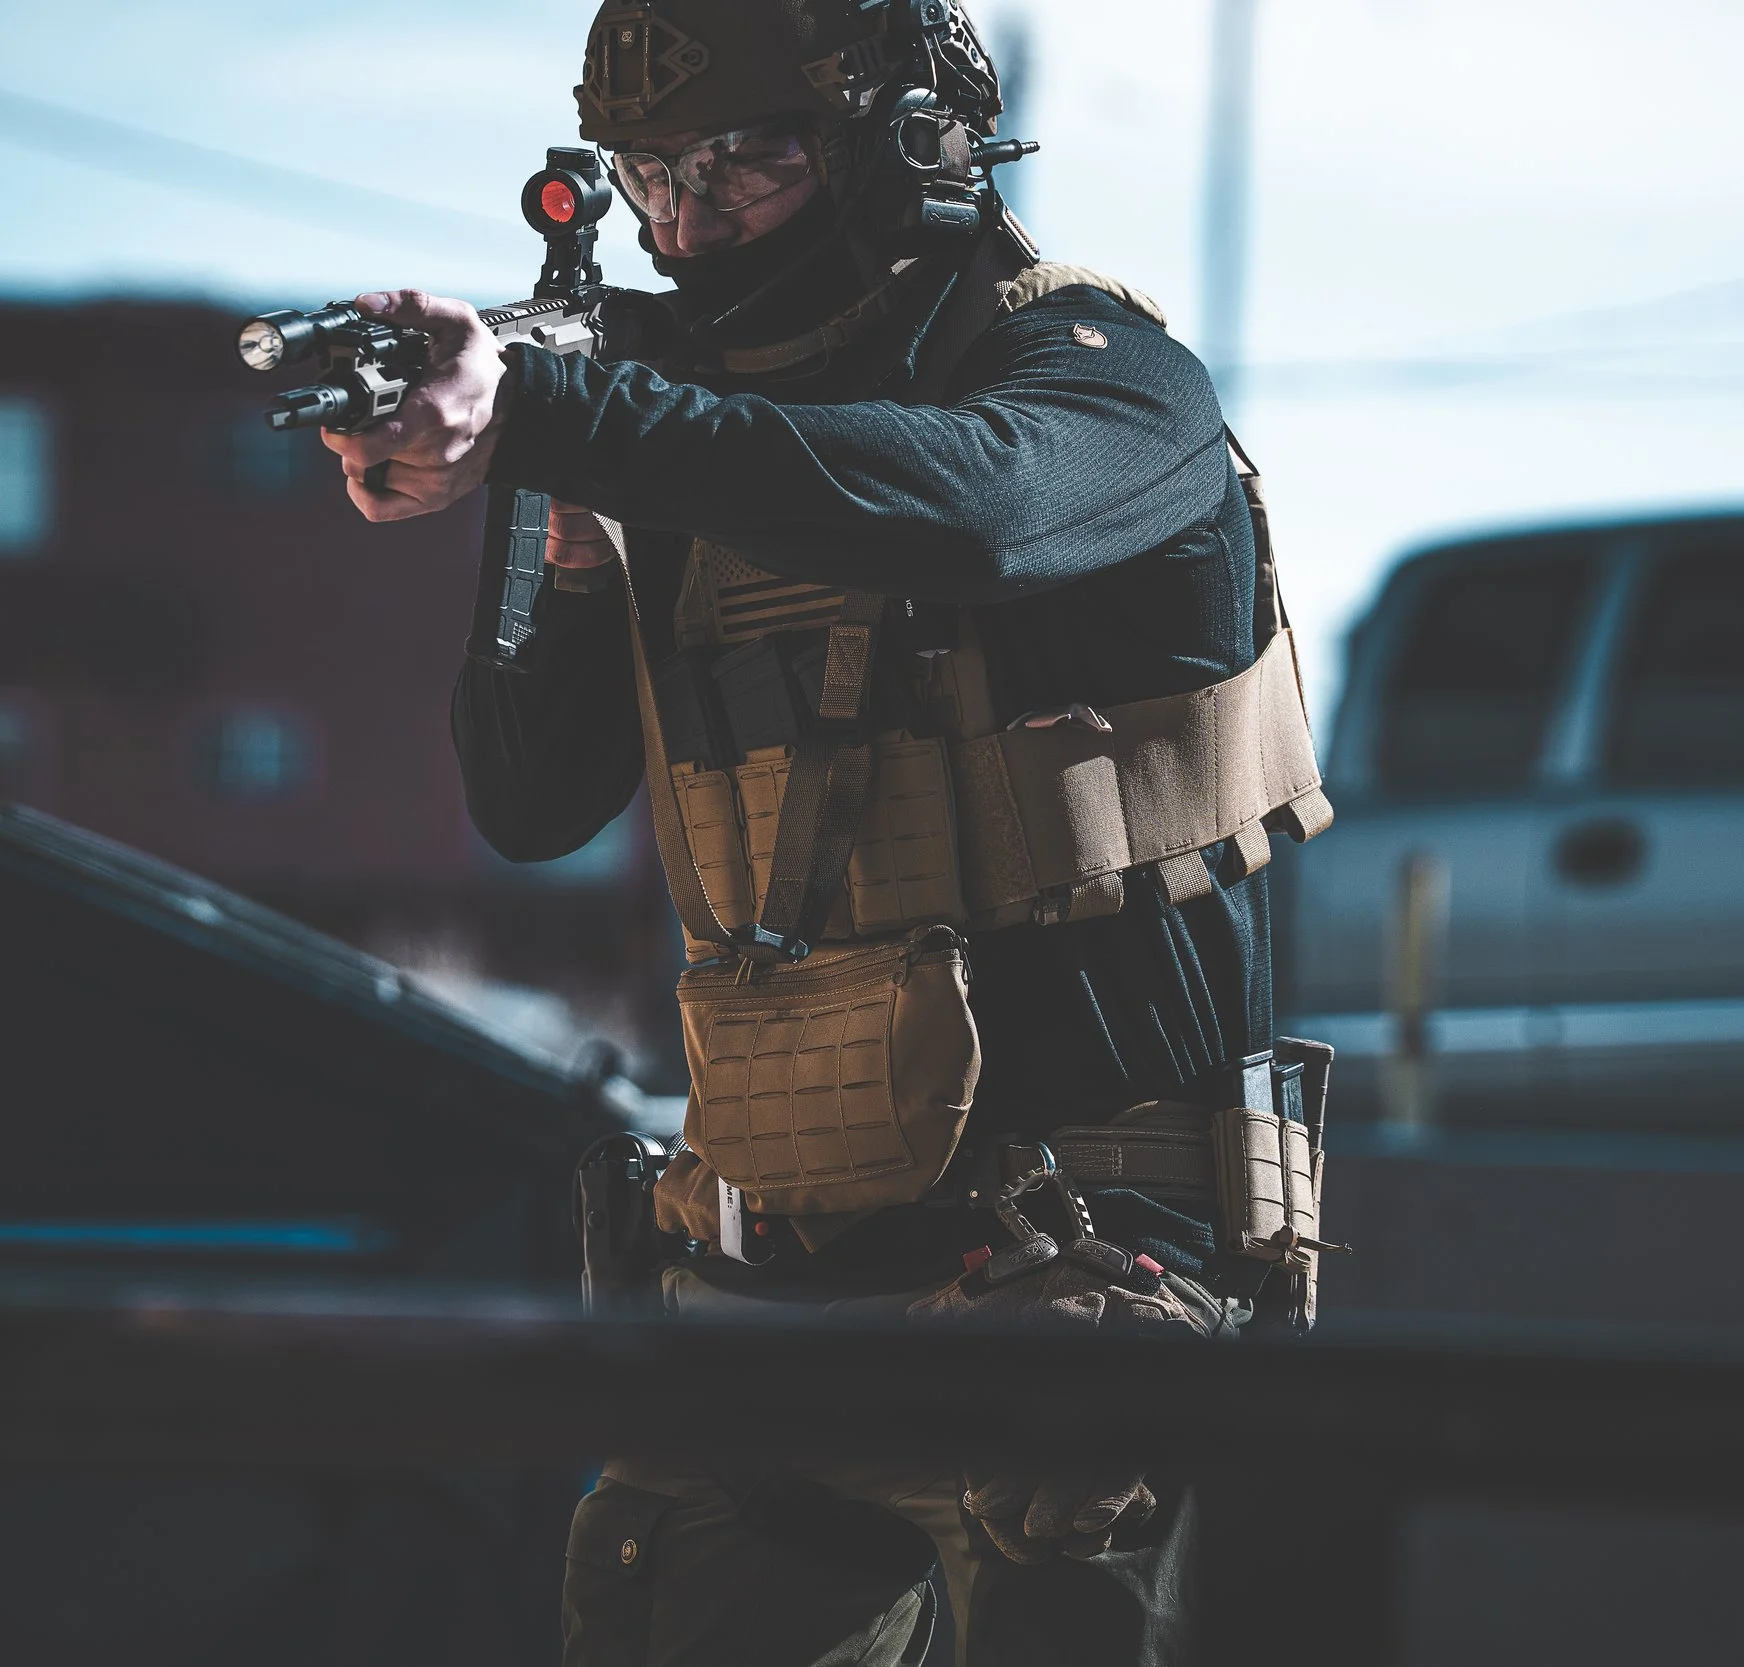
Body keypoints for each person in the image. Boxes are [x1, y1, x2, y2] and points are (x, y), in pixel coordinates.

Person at [319, 3, 1334, 1661]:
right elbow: (530, 802)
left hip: (1079, 1274)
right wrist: (567, 530)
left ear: (906, 142)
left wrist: (566, 419)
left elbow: (973, 507)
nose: (687, 224)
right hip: (765, 1277)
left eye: (740, 164)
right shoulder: (691, 437)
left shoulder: (1100, 377)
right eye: (651, 176)